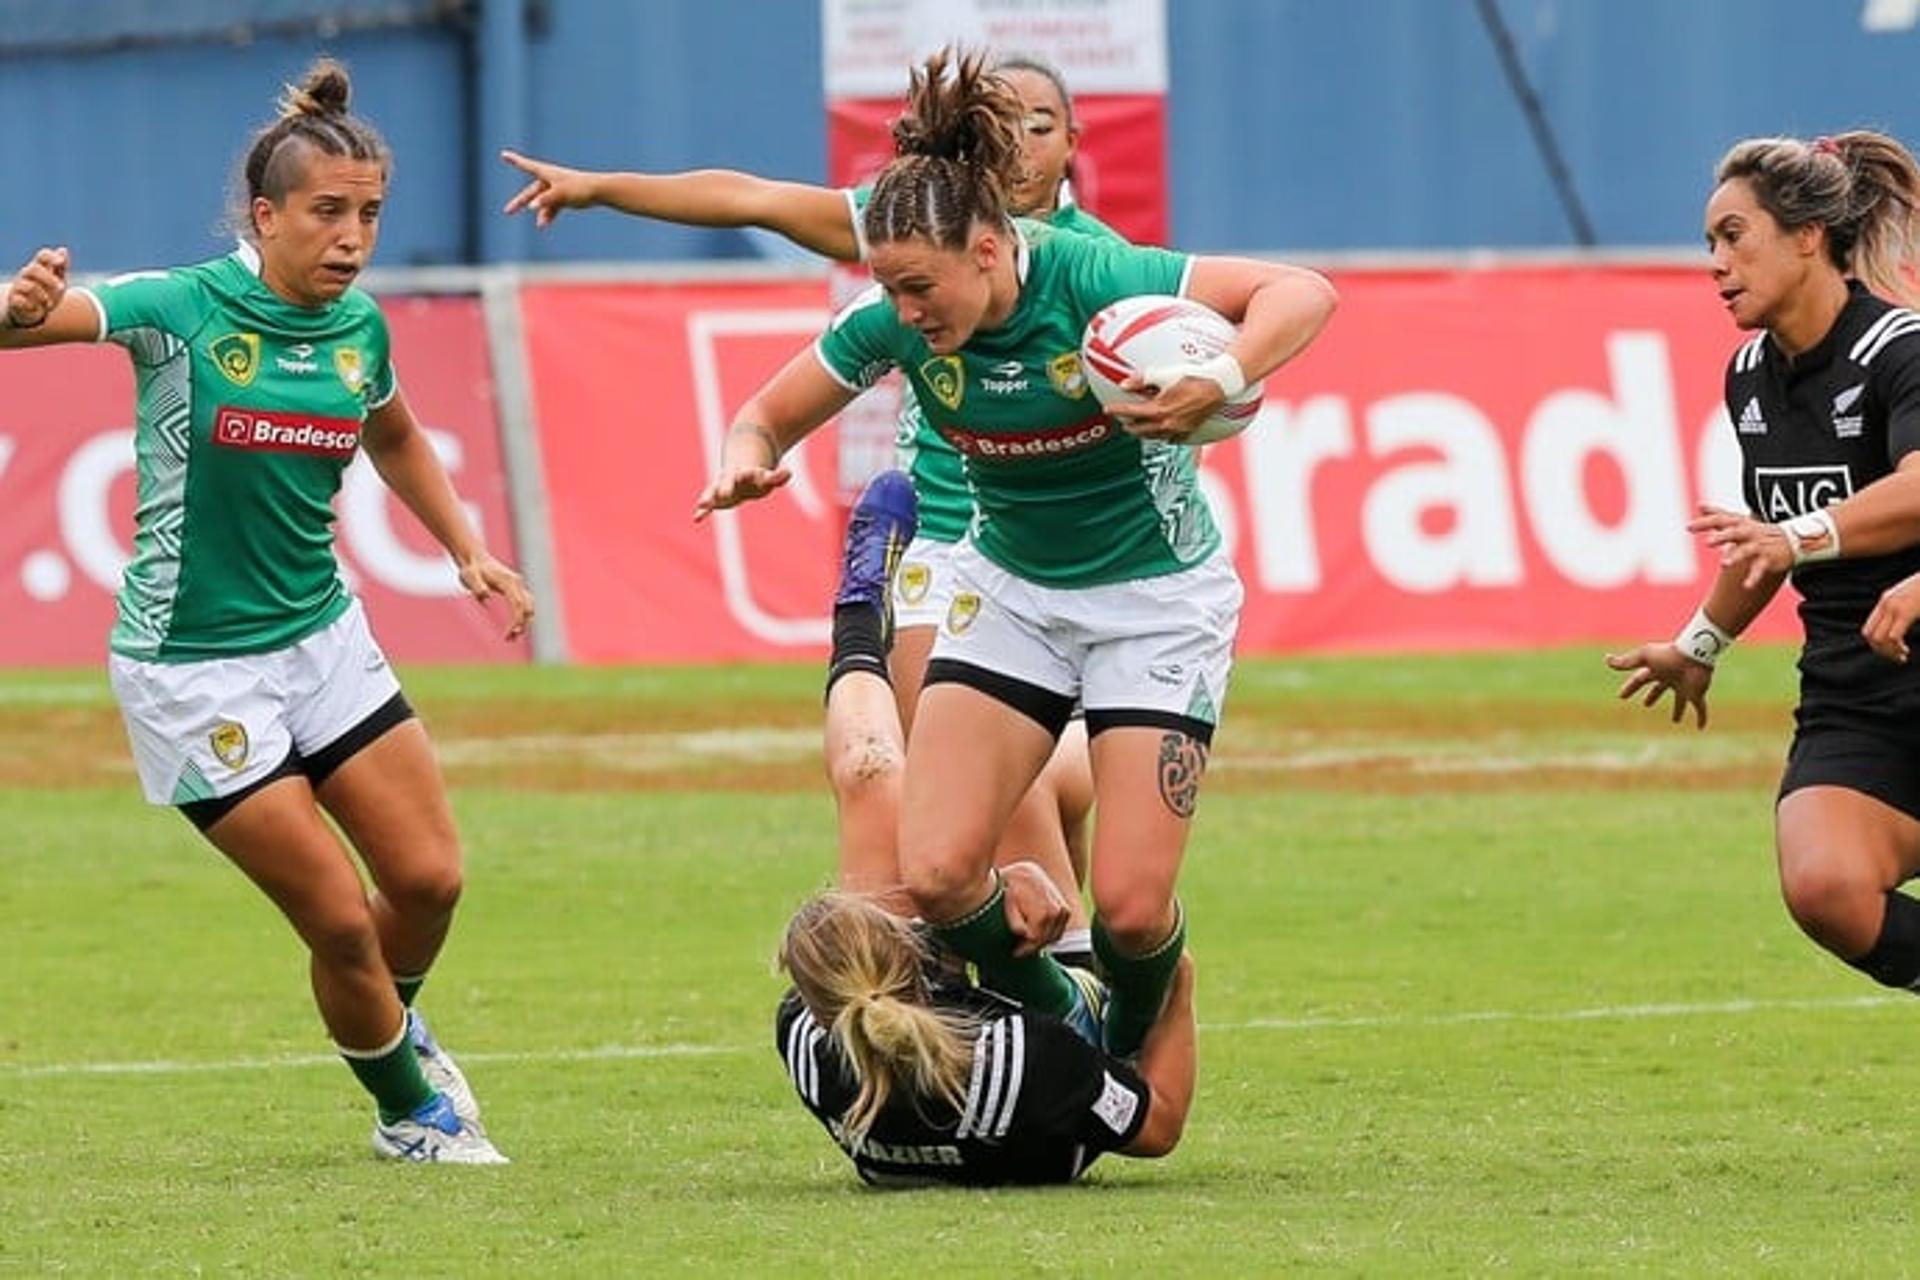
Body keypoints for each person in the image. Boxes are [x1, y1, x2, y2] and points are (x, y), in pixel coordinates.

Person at [698, 47, 1337, 1058]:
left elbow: (1301, 293)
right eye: (889, 289)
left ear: (992, 249)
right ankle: (1068, 1010)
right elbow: (768, 414)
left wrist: (1222, 373)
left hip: (1156, 602)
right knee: (943, 874)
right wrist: (744, 457)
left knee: (1130, 913)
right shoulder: (901, 324)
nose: (903, 312)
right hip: (1011, 597)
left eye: (919, 288)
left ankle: (1127, 1033)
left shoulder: (1097, 274)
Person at [0, 58, 531, 1164]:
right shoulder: (182, 308)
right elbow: (38, 326)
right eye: (329, 213)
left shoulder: (358, 330)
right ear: (266, 214)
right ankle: (409, 1110)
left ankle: (383, 1014)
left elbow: (391, 432)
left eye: (371, 214)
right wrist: (15, 312)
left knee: (430, 879)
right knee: (339, 917)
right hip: (192, 670)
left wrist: (468, 547)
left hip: (322, 639)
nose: (352, 236)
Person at [498, 53, 1104, 941]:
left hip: (1070, 558)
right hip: (948, 549)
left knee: (1060, 796)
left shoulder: (1100, 267)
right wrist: (600, 189)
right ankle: (1059, 1009)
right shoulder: (915, 232)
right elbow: (752, 198)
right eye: (1001, 122)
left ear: (1071, 143)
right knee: (985, 794)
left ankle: (1068, 978)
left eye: (1039, 123)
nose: (1018, 142)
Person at [1607, 130, 1920, 1004]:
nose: (1716, 262)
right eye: (1710, 242)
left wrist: (1802, 535)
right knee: (1827, 888)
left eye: (1734, 235)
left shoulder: (1900, 350)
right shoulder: (1749, 375)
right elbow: (1766, 540)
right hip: (1856, 691)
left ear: (1808, 237)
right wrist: (1699, 643)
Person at [775, 885, 1195, 1187]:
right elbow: (1160, 1129)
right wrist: (1178, 987)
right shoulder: (1026, 1053)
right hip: (1065, 1086)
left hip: (1018, 1097)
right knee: (1043, 798)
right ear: (907, 957)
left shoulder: (802, 1041)